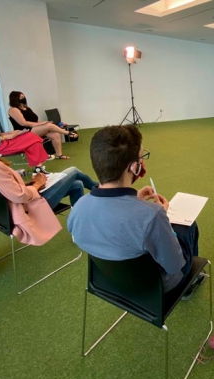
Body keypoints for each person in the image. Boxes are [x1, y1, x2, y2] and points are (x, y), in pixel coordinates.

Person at [67, 125, 204, 296]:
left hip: (108, 282)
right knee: (187, 226)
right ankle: (188, 287)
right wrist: (165, 220)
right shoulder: (153, 215)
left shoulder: (79, 207)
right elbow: (175, 265)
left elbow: (109, 221)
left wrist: (135, 201)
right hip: (154, 288)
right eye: (141, 157)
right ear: (133, 167)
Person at [0, 117, 97, 245]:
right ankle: (101, 190)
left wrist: (29, 185)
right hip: (24, 210)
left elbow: (0, 188)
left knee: (77, 184)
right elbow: (19, 196)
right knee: (73, 171)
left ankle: (80, 230)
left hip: (0, 212)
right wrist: (38, 184)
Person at [8, 91, 76, 159]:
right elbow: (23, 123)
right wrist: (42, 124)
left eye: (23, 96)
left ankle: (59, 155)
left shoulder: (27, 108)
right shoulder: (13, 109)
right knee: (49, 126)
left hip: (34, 129)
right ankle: (66, 132)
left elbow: (36, 121)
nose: (23, 98)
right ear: (15, 98)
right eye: (21, 97)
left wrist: (44, 122)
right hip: (23, 132)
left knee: (55, 134)